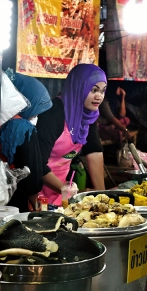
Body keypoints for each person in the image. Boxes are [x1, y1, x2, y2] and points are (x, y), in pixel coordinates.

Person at [0, 70, 53, 212]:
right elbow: (33, 177)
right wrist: (39, 208)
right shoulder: (22, 128)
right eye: (37, 108)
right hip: (12, 205)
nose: (37, 114)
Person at [35, 63, 107, 206]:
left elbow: (94, 152)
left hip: (62, 194)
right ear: (79, 87)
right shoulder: (53, 113)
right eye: (93, 90)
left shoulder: (88, 115)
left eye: (103, 91)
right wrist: (64, 189)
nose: (99, 96)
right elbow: (37, 163)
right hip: (37, 191)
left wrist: (103, 197)